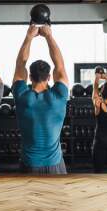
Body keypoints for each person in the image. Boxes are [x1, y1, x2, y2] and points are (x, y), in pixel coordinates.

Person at [12, 25, 69, 174]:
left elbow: (20, 64)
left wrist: (29, 37)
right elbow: (60, 66)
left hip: (29, 165)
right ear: (49, 77)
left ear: (29, 77)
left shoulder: (21, 96)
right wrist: (49, 36)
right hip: (55, 164)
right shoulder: (59, 96)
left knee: (30, 199)